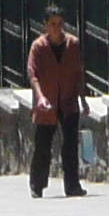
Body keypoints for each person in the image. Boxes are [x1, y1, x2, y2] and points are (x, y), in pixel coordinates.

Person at [26, 10, 86, 198]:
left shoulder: (72, 44)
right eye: (52, 24)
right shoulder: (38, 47)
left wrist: (82, 99)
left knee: (70, 145)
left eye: (60, 23)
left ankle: (72, 185)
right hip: (47, 103)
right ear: (45, 25)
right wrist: (40, 97)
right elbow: (32, 74)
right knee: (43, 146)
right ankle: (37, 185)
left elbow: (79, 72)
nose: (57, 28)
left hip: (68, 100)